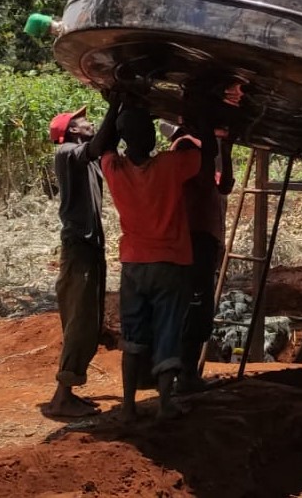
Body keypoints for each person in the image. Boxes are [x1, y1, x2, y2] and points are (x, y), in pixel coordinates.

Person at [96, 98, 208, 419]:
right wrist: (197, 113)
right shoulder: (170, 165)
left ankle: (128, 406)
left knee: (133, 335)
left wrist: (116, 104)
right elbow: (205, 152)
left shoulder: (114, 169)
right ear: (150, 136)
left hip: (133, 264)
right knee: (168, 329)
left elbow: (102, 146)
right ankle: (164, 404)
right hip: (171, 263)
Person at [176, 81, 241, 391]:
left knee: (200, 308)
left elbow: (224, 185)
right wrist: (214, 142)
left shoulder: (204, 148)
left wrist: (225, 150)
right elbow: (205, 180)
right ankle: (184, 375)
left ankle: (186, 374)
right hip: (193, 239)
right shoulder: (186, 145)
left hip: (207, 239)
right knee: (194, 307)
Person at [45, 106, 106, 418]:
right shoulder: (68, 153)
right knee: (79, 319)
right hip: (79, 247)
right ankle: (62, 397)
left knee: (88, 319)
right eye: (83, 121)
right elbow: (102, 142)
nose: (90, 122)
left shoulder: (86, 159)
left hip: (89, 247)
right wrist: (119, 104)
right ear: (71, 131)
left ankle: (68, 392)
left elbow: (105, 145)